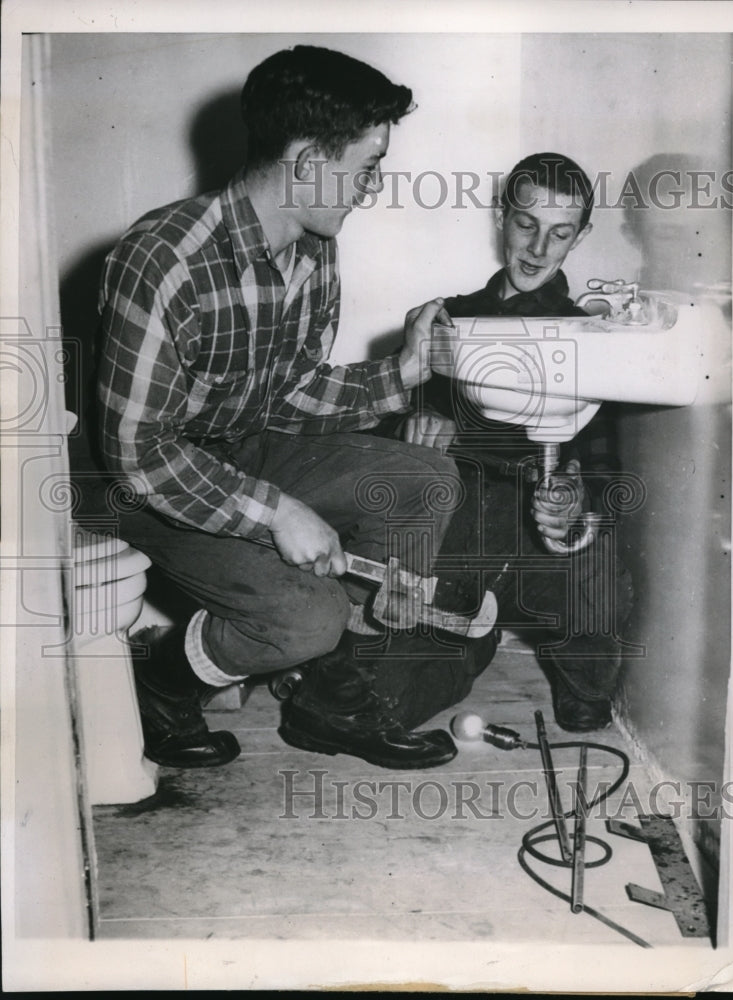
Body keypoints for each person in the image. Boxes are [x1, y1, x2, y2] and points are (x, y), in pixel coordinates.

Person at [98, 45, 472, 771]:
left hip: (236, 449)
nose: (371, 187)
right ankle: (161, 684)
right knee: (306, 615)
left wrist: (400, 373)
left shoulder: (311, 248)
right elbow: (138, 455)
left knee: (427, 480)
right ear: (307, 162)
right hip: (134, 484)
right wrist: (274, 511)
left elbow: (293, 390)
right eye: (366, 167)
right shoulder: (165, 259)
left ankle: (332, 701)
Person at [373, 152, 634, 732]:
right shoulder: (449, 322)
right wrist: (412, 431)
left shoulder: (596, 340)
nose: (539, 249)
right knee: (387, 703)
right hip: (458, 533)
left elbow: (607, 465)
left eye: (559, 233)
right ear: (500, 215)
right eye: (526, 225)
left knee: (594, 546)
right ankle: (463, 640)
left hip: (540, 539)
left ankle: (577, 675)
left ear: (580, 236)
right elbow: (381, 424)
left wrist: (576, 498)